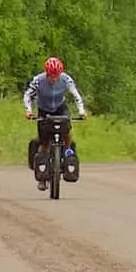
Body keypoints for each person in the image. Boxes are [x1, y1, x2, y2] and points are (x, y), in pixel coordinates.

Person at [23, 56, 87, 190]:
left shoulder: (65, 79)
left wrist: (81, 111)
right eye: (51, 76)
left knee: (67, 131)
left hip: (60, 107)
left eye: (56, 75)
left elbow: (76, 95)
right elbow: (28, 95)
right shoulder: (38, 80)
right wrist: (28, 111)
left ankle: (68, 153)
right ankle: (42, 176)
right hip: (44, 110)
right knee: (44, 141)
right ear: (46, 73)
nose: (53, 79)